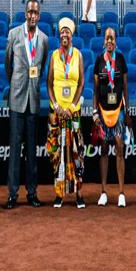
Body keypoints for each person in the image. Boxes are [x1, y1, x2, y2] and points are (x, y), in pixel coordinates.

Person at [3, 0, 49, 208]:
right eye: (29, 12)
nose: (32, 16)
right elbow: (8, 64)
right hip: (16, 99)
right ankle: (12, 194)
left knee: (32, 150)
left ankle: (32, 193)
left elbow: (41, 67)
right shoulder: (13, 34)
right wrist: (17, 83)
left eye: (36, 13)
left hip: (34, 100)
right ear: (25, 13)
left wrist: (32, 84)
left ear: (39, 15)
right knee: (14, 150)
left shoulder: (44, 39)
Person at [45, 17, 86, 209]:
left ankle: (78, 193)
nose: (64, 35)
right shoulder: (54, 56)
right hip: (57, 113)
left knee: (76, 153)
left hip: (73, 113)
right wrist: (57, 105)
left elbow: (81, 83)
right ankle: (59, 194)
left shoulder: (78, 55)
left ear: (72, 35)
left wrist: (71, 107)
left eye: (67, 32)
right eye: (62, 32)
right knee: (58, 153)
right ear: (59, 35)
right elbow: (49, 83)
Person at [92, 25, 129, 207]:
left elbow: (125, 88)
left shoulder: (120, 60)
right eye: (107, 38)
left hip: (119, 111)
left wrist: (128, 112)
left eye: (112, 38)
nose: (109, 41)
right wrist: (94, 112)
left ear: (116, 41)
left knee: (120, 147)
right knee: (104, 148)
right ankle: (104, 192)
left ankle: (121, 192)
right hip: (103, 111)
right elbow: (95, 90)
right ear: (103, 41)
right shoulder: (99, 60)